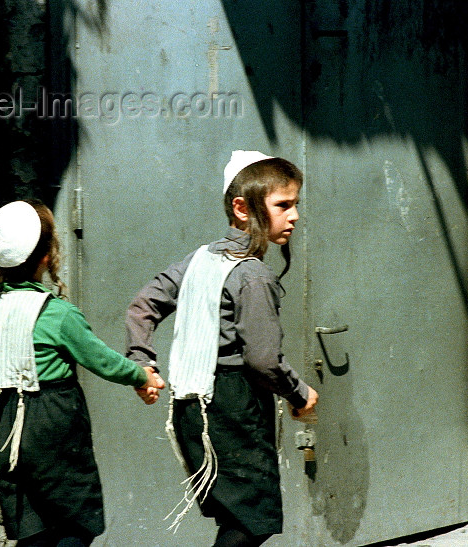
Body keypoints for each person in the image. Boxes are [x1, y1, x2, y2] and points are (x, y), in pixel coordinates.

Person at [127, 151, 319, 547]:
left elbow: (142, 306)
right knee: (254, 519)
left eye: (296, 204)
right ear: (241, 208)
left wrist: (141, 360)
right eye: (283, 205)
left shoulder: (198, 259)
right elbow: (264, 360)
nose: (294, 216)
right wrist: (300, 393)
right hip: (234, 407)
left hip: (192, 406)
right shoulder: (252, 274)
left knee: (236, 515)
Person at [0, 200, 164, 547]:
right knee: (75, 524)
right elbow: (101, 359)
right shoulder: (56, 313)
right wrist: (141, 376)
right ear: (45, 256)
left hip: (3, 425)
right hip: (51, 422)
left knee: (32, 529)